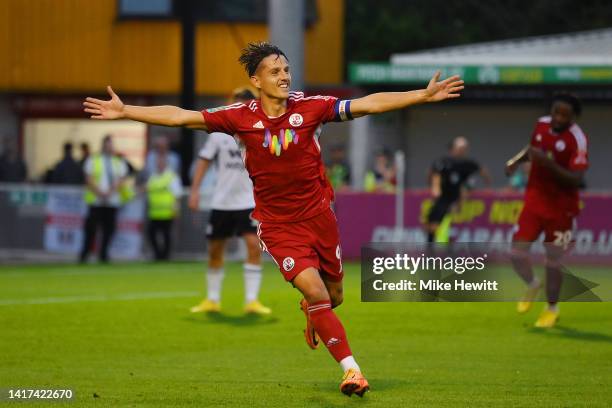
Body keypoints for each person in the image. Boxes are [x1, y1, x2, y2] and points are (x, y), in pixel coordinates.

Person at [83, 41, 464, 397]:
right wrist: (126, 111)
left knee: (333, 298)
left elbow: (367, 104)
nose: (284, 76)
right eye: (275, 71)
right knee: (316, 293)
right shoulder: (238, 117)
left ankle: (313, 313)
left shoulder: (311, 108)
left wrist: (421, 94)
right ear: (256, 80)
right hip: (278, 226)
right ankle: (352, 370)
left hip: (319, 218)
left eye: (286, 69)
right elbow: (181, 117)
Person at [505, 93, 588, 328]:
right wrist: (516, 161)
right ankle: (532, 284)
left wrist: (548, 163)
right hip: (534, 201)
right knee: (516, 253)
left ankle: (552, 308)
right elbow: (533, 149)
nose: (559, 118)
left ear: (573, 117)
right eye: (556, 112)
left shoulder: (577, 140)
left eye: (565, 115)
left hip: (562, 208)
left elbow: (576, 179)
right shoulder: (541, 124)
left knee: (552, 262)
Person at [188, 88, 271, 316]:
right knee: (215, 250)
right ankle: (212, 299)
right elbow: (204, 161)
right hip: (222, 201)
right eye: (236, 103)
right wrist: (195, 191)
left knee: (254, 246)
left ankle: (252, 300)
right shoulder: (218, 134)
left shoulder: (261, 131)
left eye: (244, 103)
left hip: (249, 201)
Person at [425, 136, 491, 243]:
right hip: (443, 198)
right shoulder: (443, 162)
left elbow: (483, 172)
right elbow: (434, 174)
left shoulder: (468, 164)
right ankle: (430, 249)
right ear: (453, 148)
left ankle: (450, 251)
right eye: (460, 148)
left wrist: (487, 187)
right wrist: (435, 188)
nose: (462, 151)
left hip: (458, 199)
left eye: (464, 148)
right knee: (433, 224)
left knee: (453, 227)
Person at [79, 135, 128, 263]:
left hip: (112, 201)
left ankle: (104, 254)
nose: (109, 147)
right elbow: (88, 178)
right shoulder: (93, 159)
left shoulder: (118, 161)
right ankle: (85, 254)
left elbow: (122, 179)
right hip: (96, 201)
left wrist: (110, 192)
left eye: (111, 144)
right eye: (107, 144)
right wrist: (100, 192)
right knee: (91, 230)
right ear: (103, 145)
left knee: (109, 230)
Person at [146, 153, 182, 261]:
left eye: (161, 162)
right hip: (154, 212)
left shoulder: (171, 177)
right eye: (158, 162)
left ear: (165, 163)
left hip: (167, 212)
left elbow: (177, 195)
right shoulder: (153, 176)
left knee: (166, 235)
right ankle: (158, 254)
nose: (159, 164)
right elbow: (148, 190)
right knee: (151, 234)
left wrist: (176, 210)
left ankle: (165, 256)